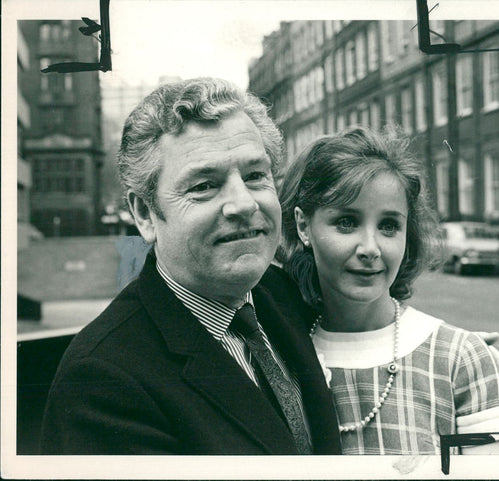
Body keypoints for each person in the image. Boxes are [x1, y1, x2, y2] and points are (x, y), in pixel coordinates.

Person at [40, 77, 341, 454]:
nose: (244, 204)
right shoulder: (101, 381)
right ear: (144, 213)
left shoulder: (285, 295)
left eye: (255, 176)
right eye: (203, 185)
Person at [278, 126, 499, 455]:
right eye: (347, 222)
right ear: (304, 226)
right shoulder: (279, 356)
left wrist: (469, 353)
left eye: (389, 226)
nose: (370, 248)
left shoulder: (460, 360)